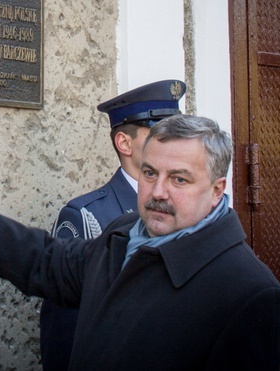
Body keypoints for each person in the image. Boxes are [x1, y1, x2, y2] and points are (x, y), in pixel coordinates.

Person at [0, 114, 280, 370]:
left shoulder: (253, 298)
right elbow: (47, 261)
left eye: (179, 179)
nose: (158, 191)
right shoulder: (123, 234)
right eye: (149, 173)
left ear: (217, 190)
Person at [41, 79, 186, 371]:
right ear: (124, 143)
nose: (175, 143)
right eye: (161, 133)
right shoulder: (86, 217)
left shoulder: (184, 206)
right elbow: (64, 334)